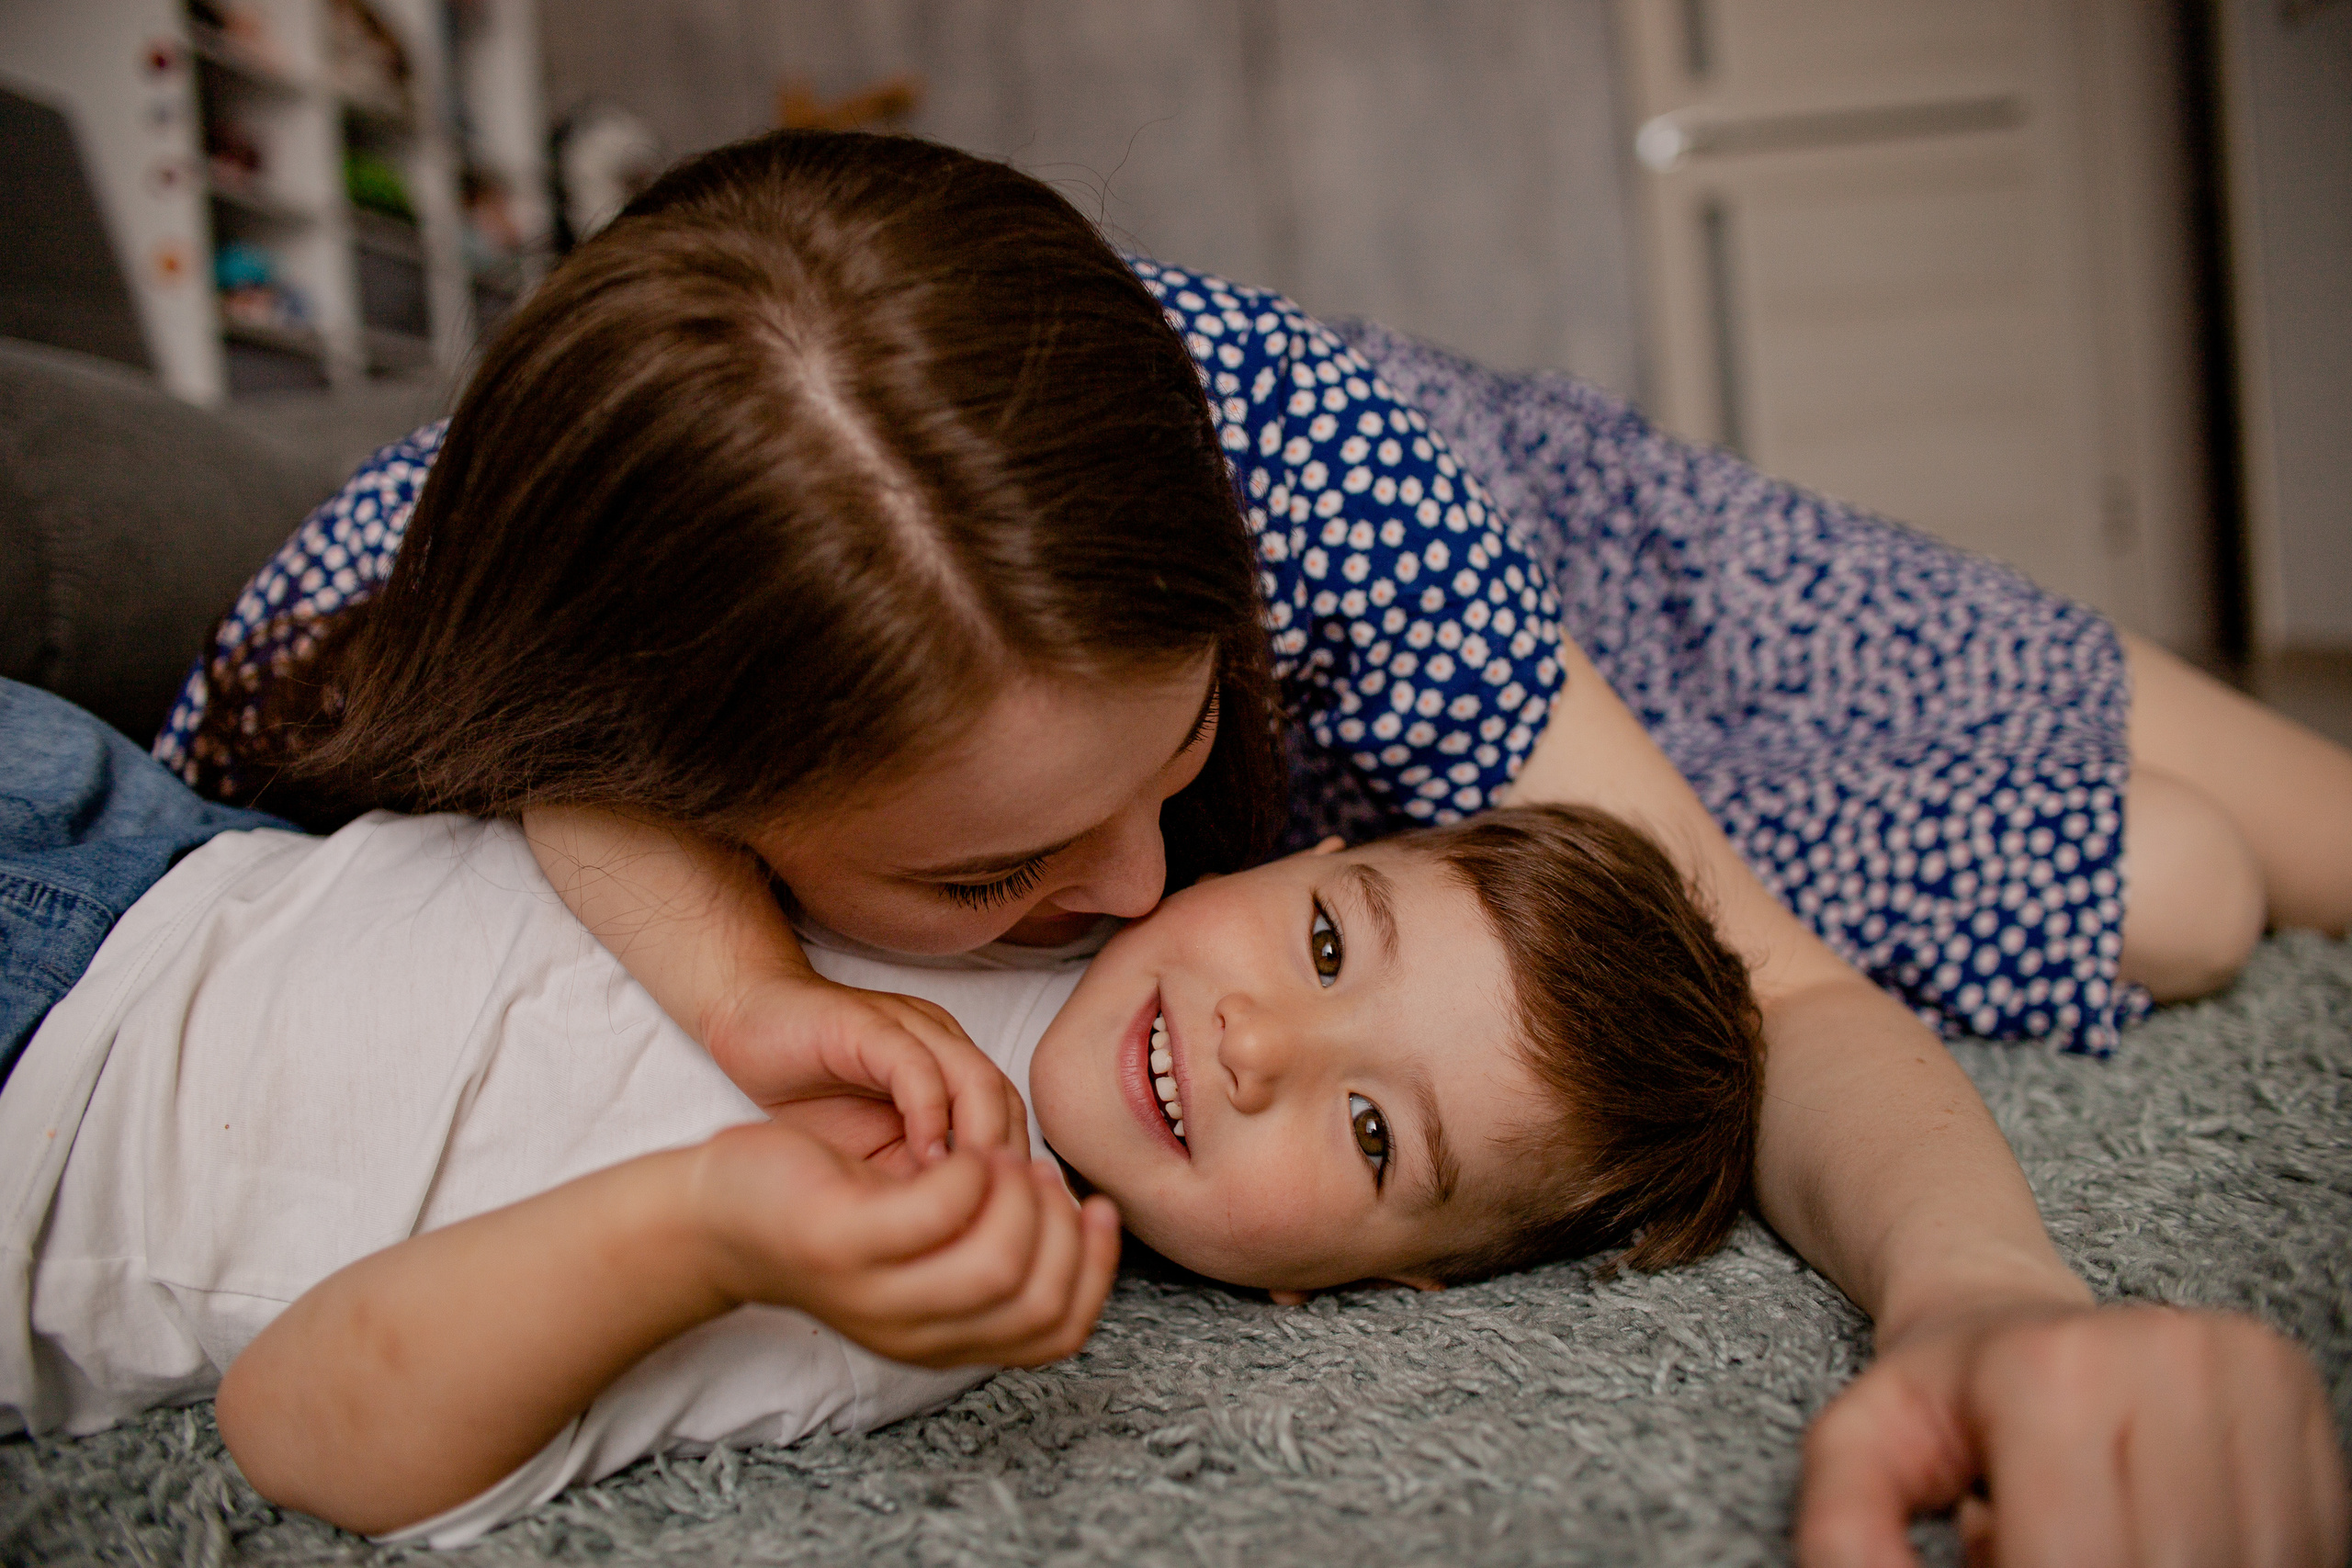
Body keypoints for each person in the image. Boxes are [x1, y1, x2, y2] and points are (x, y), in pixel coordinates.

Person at [154, 130, 2352, 1561]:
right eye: (980, 877)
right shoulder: (377, 679)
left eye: (1174, 753)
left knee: (2257, 815)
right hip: (1454, 879)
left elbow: (1769, 980)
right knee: (2168, 891)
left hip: (1512, 568)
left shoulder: (1306, 483)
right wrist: (750, 992)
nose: (1126, 891)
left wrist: (1978, 1292)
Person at [1, 679, 1765, 1544]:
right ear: (1302, 849)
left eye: (1375, 1138)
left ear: (1362, 1293)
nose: (1258, 1047)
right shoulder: (1027, 860)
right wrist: (756, 991)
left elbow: (300, 1430)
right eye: (1324, 940)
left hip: (41, 1141)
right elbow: (580, 763)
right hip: (121, 840)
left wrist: (708, 1225)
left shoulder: (916, 1274)